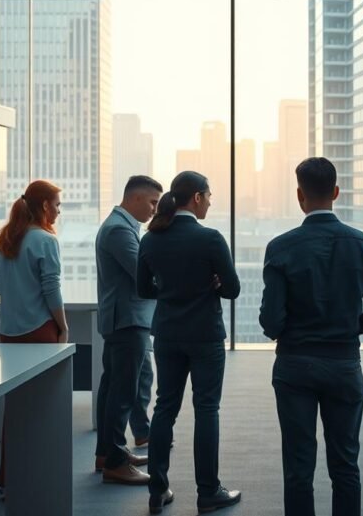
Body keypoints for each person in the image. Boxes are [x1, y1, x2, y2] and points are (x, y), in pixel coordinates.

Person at [259, 158, 363, 516]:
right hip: (344, 364)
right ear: (336, 192)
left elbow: (271, 321)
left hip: (294, 365)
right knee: (345, 464)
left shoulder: (281, 247)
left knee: (298, 467)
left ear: (300, 195)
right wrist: (344, 329)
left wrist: (289, 332)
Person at [137, 171, 241, 515]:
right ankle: (208, 492)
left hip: (167, 334)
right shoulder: (210, 239)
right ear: (196, 197)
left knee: (164, 408)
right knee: (206, 408)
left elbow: (143, 289)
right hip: (205, 335)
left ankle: (157, 490)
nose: (210, 202)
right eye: (208, 196)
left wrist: (170, 289)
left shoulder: (151, 239)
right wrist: (212, 284)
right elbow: (232, 289)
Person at [0, 180, 67, 499]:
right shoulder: (45, 240)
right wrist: (63, 326)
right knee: (44, 407)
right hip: (40, 330)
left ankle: (8, 481)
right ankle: (38, 477)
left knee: (16, 409)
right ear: (45, 206)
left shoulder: (8, 237)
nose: (59, 211)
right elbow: (51, 289)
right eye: (57, 205)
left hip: (8, 332)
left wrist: (17, 286)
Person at [94, 175, 162, 485]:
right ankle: (116, 462)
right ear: (135, 198)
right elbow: (143, 275)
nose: (154, 209)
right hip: (128, 320)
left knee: (113, 389)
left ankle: (108, 453)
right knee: (122, 392)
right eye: (152, 202)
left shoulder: (119, 225)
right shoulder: (120, 230)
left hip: (123, 319)